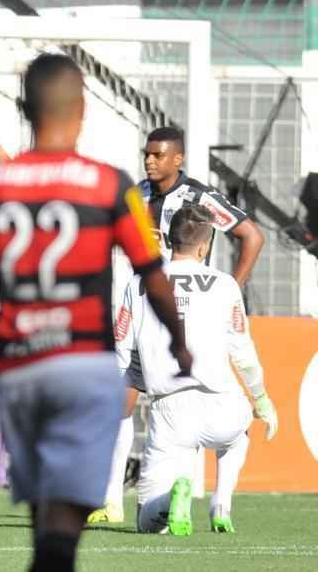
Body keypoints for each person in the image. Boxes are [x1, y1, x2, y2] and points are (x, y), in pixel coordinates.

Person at [0, 53, 192, 572]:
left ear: (25, 109)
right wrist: (179, 340)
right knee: (64, 527)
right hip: (85, 362)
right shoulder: (110, 184)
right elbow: (153, 274)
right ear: (82, 109)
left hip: (21, 366)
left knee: (44, 514)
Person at [90, 125, 266, 525]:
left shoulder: (199, 198)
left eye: (158, 155)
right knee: (120, 403)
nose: (149, 161)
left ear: (178, 159)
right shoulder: (135, 197)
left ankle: (171, 494)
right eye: (147, 154)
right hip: (141, 313)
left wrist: (228, 292)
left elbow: (252, 236)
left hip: (183, 317)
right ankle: (112, 501)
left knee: (167, 406)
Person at [115, 204, 277, 535]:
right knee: (239, 435)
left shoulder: (139, 284)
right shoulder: (225, 285)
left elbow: (121, 349)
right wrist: (261, 400)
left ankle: (172, 499)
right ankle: (221, 505)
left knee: (148, 522)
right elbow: (243, 354)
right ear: (205, 247)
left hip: (170, 412)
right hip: (222, 403)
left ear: (168, 241)